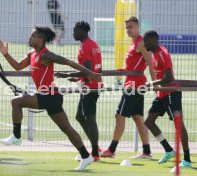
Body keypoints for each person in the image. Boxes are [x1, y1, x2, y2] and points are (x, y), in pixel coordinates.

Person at [0, 26, 101, 170]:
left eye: (33, 36)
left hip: (49, 96)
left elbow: (68, 62)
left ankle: (16, 136)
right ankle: (86, 156)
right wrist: (5, 54)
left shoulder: (46, 55)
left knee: (16, 101)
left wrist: (89, 73)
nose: (30, 38)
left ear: (41, 39)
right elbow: (17, 66)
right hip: (50, 97)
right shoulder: (31, 54)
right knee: (67, 129)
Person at [102, 16, 156, 159]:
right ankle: (147, 151)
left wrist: (156, 84)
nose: (128, 30)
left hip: (134, 86)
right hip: (133, 84)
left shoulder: (140, 43)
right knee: (138, 118)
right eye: (126, 27)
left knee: (119, 115)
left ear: (138, 27)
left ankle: (111, 150)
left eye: (131, 27)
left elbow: (151, 64)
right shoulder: (133, 44)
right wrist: (123, 70)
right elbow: (133, 66)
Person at [143, 30, 193, 167]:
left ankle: (187, 159)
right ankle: (168, 149)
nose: (144, 43)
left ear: (153, 40)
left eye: (145, 41)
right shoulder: (155, 54)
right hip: (162, 94)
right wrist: (156, 87)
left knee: (178, 125)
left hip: (171, 93)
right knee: (149, 122)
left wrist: (151, 84)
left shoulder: (162, 53)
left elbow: (169, 77)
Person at [55, 21, 102, 162]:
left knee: (90, 118)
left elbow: (87, 69)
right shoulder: (93, 44)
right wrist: (76, 78)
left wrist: (67, 75)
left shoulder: (86, 46)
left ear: (82, 31)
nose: (73, 33)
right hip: (91, 84)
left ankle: (95, 153)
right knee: (80, 116)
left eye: (75, 30)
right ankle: (95, 148)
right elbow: (92, 68)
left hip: (90, 87)